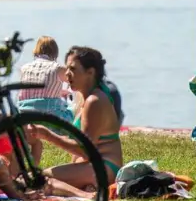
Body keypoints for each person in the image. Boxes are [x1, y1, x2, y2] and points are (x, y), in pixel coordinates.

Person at [33, 46, 122, 190]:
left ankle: (87, 191)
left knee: (35, 181)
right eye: (67, 68)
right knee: (34, 180)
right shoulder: (84, 96)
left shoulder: (94, 101)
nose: (67, 73)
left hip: (104, 168)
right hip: (93, 165)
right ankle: (85, 188)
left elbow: (86, 150)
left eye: (73, 69)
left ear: (90, 72)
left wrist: (47, 135)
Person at [17, 36, 71, 118]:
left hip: (26, 116)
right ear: (55, 52)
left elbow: (34, 92)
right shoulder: (57, 68)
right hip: (51, 117)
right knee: (73, 109)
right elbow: (77, 81)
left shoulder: (24, 68)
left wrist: (59, 91)